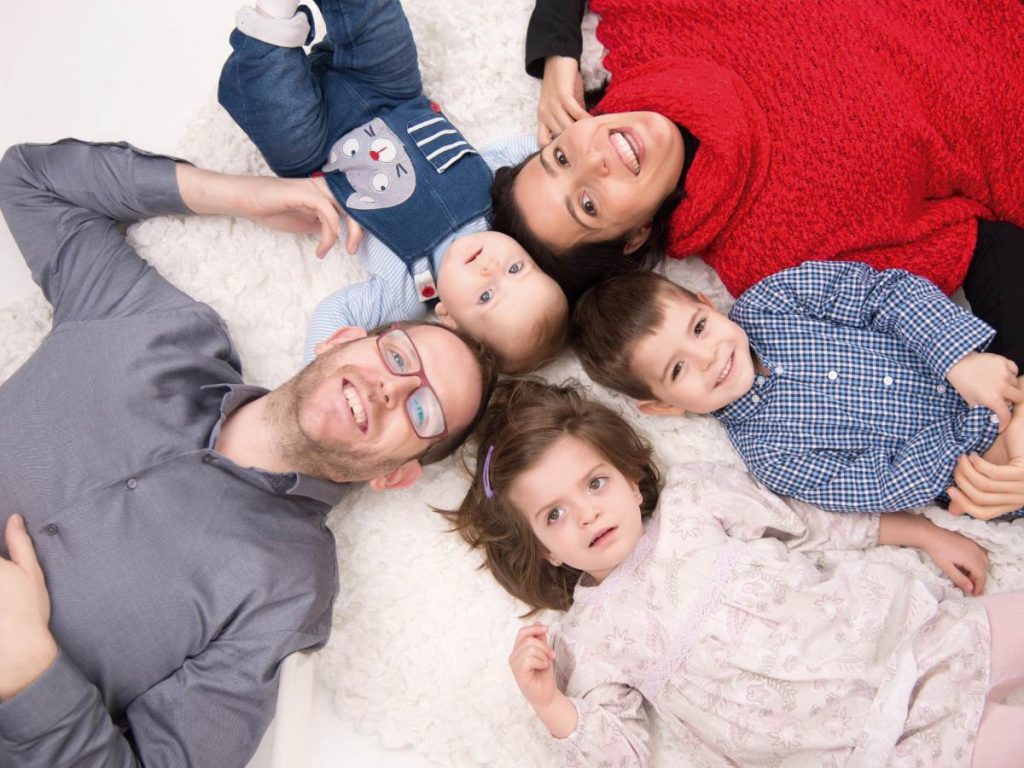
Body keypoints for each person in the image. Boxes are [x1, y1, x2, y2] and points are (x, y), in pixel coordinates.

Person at [0, 139, 496, 767]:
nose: (392, 386)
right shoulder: (157, 327)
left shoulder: (290, 590)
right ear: (341, 340)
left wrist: (27, 671)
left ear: (395, 476)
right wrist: (243, 196)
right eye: (399, 356)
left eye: (422, 410)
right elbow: (31, 180)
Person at [446, 378, 1023, 767]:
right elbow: (620, 751)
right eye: (555, 515)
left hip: (903, 643)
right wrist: (551, 703)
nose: (587, 512)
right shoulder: (588, 637)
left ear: (628, 476)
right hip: (853, 749)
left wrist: (923, 533)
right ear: (546, 549)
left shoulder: (696, 499)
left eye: (593, 483)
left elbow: (809, 520)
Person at [493, 0, 1024, 372]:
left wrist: (556, 54)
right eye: (587, 203)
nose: (594, 158)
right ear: (634, 237)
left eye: (560, 156)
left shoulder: (648, 30)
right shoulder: (778, 255)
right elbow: (983, 247)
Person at [219, 0, 567, 373]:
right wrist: (563, 152)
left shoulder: (404, 295)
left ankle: (273, 23)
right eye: (517, 269)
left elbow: (340, 309)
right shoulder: (503, 203)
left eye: (485, 295)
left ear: (450, 319)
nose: (491, 268)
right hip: (393, 93)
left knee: (279, 120)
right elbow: (523, 155)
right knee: (381, 28)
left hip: (320, 147)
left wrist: (321, 363)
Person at [572, 263, 1024, 520]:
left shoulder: (776, 301)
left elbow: (881, 294)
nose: (708, 356)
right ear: (665, 405)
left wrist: (957, 359)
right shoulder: (769, 456)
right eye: (678, 368)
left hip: (983, 366)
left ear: (706, 303)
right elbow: (878, 483)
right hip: (974, 459)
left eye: (699, 327)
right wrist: (973, 439)